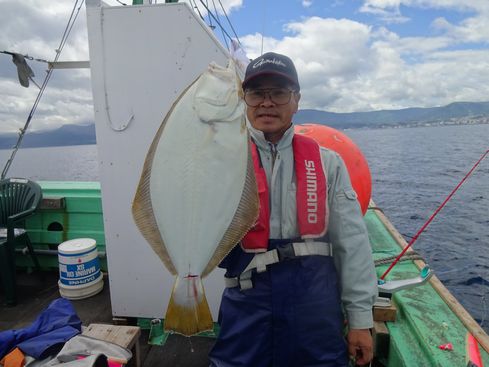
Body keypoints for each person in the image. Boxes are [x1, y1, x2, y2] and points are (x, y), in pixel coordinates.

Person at [208, 52, 378, 367]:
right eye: (257, 93)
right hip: (247, 299)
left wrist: (359, 318)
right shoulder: (219, 162)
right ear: (244, 100)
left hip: (314, 304)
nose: (267, 103)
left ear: (296, 100)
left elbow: (351, 243)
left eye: (279, 93)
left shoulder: (328, 163)